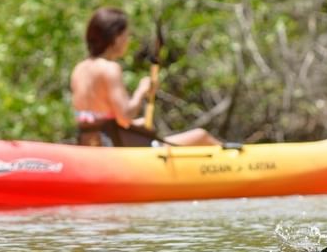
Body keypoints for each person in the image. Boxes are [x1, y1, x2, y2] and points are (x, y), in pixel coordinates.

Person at [70, 8, 219, 148]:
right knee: (201, 136)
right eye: (126, 35)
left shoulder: (79, 69)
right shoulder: (110, 69)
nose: (128, 40)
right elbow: (125, 117)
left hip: (90, 142)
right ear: (115, 37)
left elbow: (99, 117)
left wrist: (136, 124)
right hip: (115, 145)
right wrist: (141, 91)